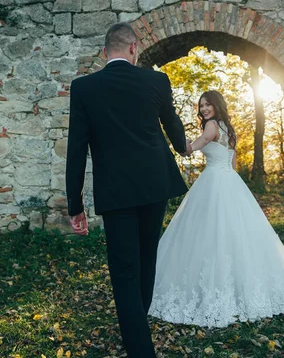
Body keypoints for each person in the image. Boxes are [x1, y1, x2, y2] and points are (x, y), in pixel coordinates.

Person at [65, 22, 191, 357]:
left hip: (116, 191)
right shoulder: (156, 80)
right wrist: (185, 148)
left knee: (124, 270)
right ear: (134, 48)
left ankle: (138, 344)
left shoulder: (83, 88)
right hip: (155, 184)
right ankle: (139, 326)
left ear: (105, 52)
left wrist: (74, 204)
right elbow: (173, 124)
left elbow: (76, 149)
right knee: (147, 258)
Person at [148, 90, 284, 328]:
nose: (204, 109)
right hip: (230, 182)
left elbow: (193, 147)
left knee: (206, 232)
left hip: (214, 180)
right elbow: (232, 162)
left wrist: (172, 138)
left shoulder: (212, 126)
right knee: (234, 233)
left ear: (216, 106)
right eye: (201, 105)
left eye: (207, 104)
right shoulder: (229, 129)